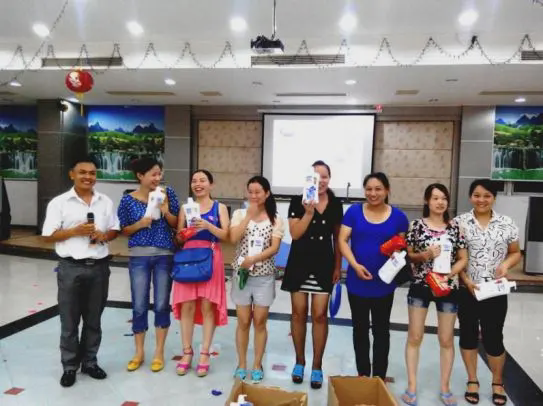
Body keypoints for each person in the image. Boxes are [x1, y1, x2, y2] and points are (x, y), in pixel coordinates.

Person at [42, 156, 119, 387]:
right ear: (72, 174)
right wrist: (74, 231)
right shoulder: (59, 203)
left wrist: (104, 235)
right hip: (70, 267)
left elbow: (114, 229)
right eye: (83, 172)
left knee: (94, 320)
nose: (88, 177)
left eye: (92, 173)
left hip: (99, 267)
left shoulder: (105, 201)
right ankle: (69, 366)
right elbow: (48, 235)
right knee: (69, 320)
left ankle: (90, 362)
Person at [401, 184, 468, 406]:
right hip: (421, 286)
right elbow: (409, 255)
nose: (440, 202)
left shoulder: (455, 228)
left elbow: (463, 258)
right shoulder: (416, 226)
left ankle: (445, 387)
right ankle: (412, 385)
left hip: (448, 287)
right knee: (415, 336)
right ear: (427, 201)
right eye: (435, 198)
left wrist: (449, 274)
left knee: (446, 339)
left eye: (444, 198)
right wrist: (425, 255)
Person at [456, 179, 521, 406]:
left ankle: (497, 382)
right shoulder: (459, 222)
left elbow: (515, 252)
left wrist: (505, 265)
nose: (481, 200)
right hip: (467, 290)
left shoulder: (507, 223)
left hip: (495, 289)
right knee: (468, 335)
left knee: (494, 337)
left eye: (486, 195)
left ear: (494, 197)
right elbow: (454, 256)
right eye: (476, 195)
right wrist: (465, 280)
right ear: (470, 197)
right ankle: (472, 380)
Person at [338, 172, 409, 381]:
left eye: (378, 189)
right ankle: (362, 374)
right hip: (357, 282)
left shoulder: (399, 217)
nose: (373, 193)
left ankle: (379, 376)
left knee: (381, 331)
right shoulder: (353, 212)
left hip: (384, 284)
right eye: (369, 189)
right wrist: (354, 265)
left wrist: (398, 253)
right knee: (359, 330)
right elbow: (342, 240)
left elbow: (401, 247)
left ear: (387, 190)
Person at [281, 160, 343, 389]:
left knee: (320, 315)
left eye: (324, 176)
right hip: (299, 263)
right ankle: (299, 362)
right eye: (316, 177)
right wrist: (308, 213)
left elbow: (338, 239)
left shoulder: (336, 204)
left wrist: (338, 267)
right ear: (309, 180)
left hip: (324, 264)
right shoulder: (297, 201)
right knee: (298, 314)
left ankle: (317, 366)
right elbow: (295, 234)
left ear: (329, 178)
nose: (321, 181)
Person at [117, 157, 180, 373]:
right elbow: (123, 229)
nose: (157, 178)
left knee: (162, 303)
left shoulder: (168, 194)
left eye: (159, 173)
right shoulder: (128, 200)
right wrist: (140, 224)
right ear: (140, 176)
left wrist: (165, 209)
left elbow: (177, 224)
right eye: (153, 174)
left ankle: (159, 352)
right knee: (139, 304)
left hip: (164, 255)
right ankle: (139, 352)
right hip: (139, 256)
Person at [172, 169, 230, 377]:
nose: (198, 184)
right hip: (188, 258)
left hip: (211, 257)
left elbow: (226, 235)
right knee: (186, 305)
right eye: (194, 181)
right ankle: (187, 352)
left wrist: (207, 225)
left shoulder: (219, 207)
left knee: (207, 305)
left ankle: (205, 352)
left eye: (202, 180)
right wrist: (183, 234)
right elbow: (178, 238)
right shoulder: (185, 208)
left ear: (211, 184)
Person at [230, 176, 285, 383]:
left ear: (267, 194)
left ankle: (257, 364)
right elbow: (233, 238)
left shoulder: (275, 219)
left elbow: (275, 247)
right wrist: (248, 217)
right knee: (243, 321)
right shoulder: (239, 214)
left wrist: (254, 259)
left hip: (264, 276)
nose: (253, 196)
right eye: (250, 192)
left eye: (258, 192)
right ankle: (241, 363)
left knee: (260, 321)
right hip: (242, 275)